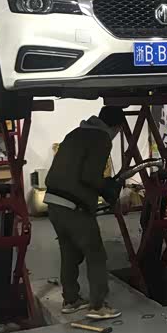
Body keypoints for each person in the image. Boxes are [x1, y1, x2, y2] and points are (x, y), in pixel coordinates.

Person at [44, 106, 124, 320]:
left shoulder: (76, 133)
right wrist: (108, 188)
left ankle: (71, 300)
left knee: (69, 253)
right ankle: (97, 306)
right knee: (96, 254)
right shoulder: (101, 138)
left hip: (53, 203)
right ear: (116, 127)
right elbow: (90, 176)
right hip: (73, 206)